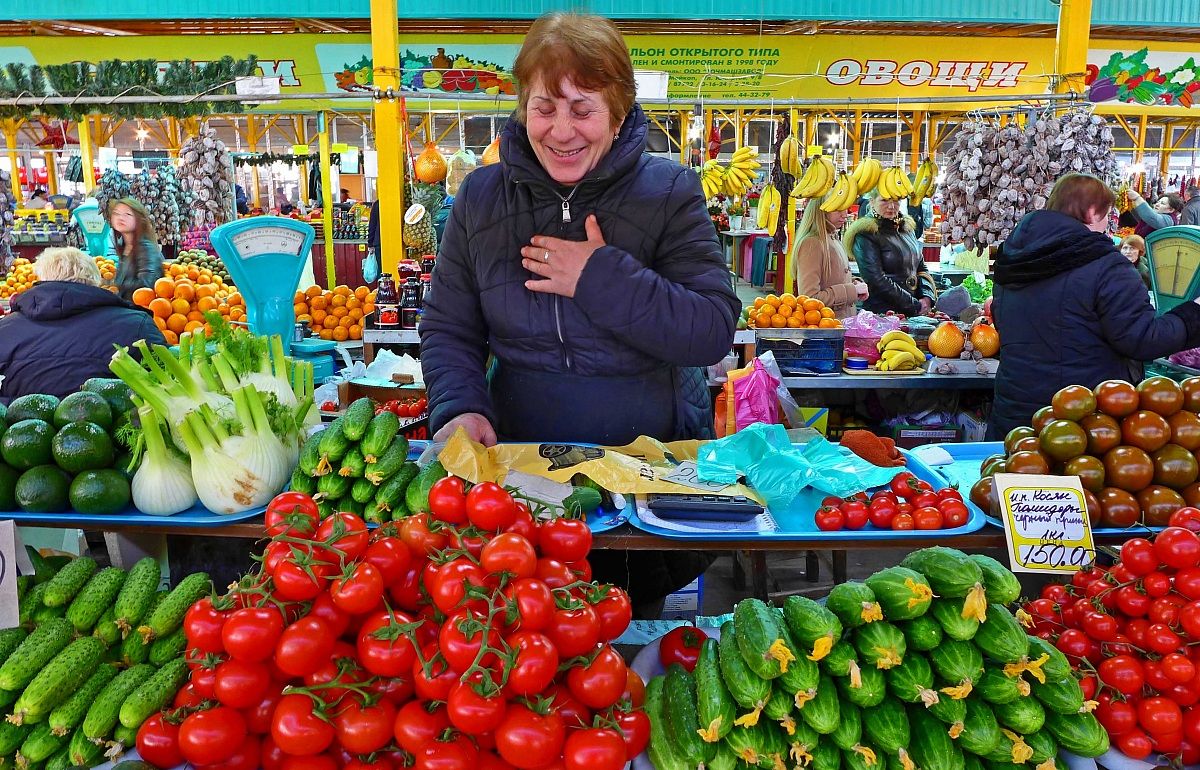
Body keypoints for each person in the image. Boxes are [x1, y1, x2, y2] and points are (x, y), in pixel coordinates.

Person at [419, 12, 740, 617]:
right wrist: (459, 403)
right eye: (545, 107)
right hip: (519, 482)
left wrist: (599, 277)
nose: (561, 130)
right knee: (519, 636)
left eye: (583, 108)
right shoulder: (482, 199)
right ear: (522, 108)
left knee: (628, 640)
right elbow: (449, 326)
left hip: (644, 480)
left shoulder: (671, 192)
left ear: (617, 115)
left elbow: (710, 327)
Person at [987, 173, 1200, 440]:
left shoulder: (1013, 256)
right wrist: (1193, 314)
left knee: (1014, 478)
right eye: (1106, 216)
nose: (1107, 226)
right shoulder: (1105, 265)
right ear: (1090, 212)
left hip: (1013, 414)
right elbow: (1143, 339)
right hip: (1079, 423)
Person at [0, 248, 165, 405]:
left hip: (21, 431)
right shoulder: (137, 324)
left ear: (41, 278)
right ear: (95, 279)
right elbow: (167, 383)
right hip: (110, 429)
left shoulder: (4, 329)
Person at [844, 191, 936, 316]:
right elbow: (876, 279)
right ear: (872, 201)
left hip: (911, 314)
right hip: (883, 314)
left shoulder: (906, 228)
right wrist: (914, 305)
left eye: (896, 200)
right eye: (885, 200)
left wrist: (927, 296)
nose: (891, 206)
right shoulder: (865, 233)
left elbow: (921, 267)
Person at [792, 195, 866, 319]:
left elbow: (832, 278)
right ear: (821, 210)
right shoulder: (812, 243)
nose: (844, 214)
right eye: (837, 209)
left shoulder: (831, 238)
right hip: (825, 331)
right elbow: (809, 298)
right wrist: (852, 290)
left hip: (837, 326)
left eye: (845, 208)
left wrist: (855, 283)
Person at [105, 198, 163, 303]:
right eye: (116, 214)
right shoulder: (125, 246)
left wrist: (117, 285)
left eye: (127, 214)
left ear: (139, 219)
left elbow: (147, 286)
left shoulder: (146, 247)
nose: (120, 218)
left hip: (140, 311)